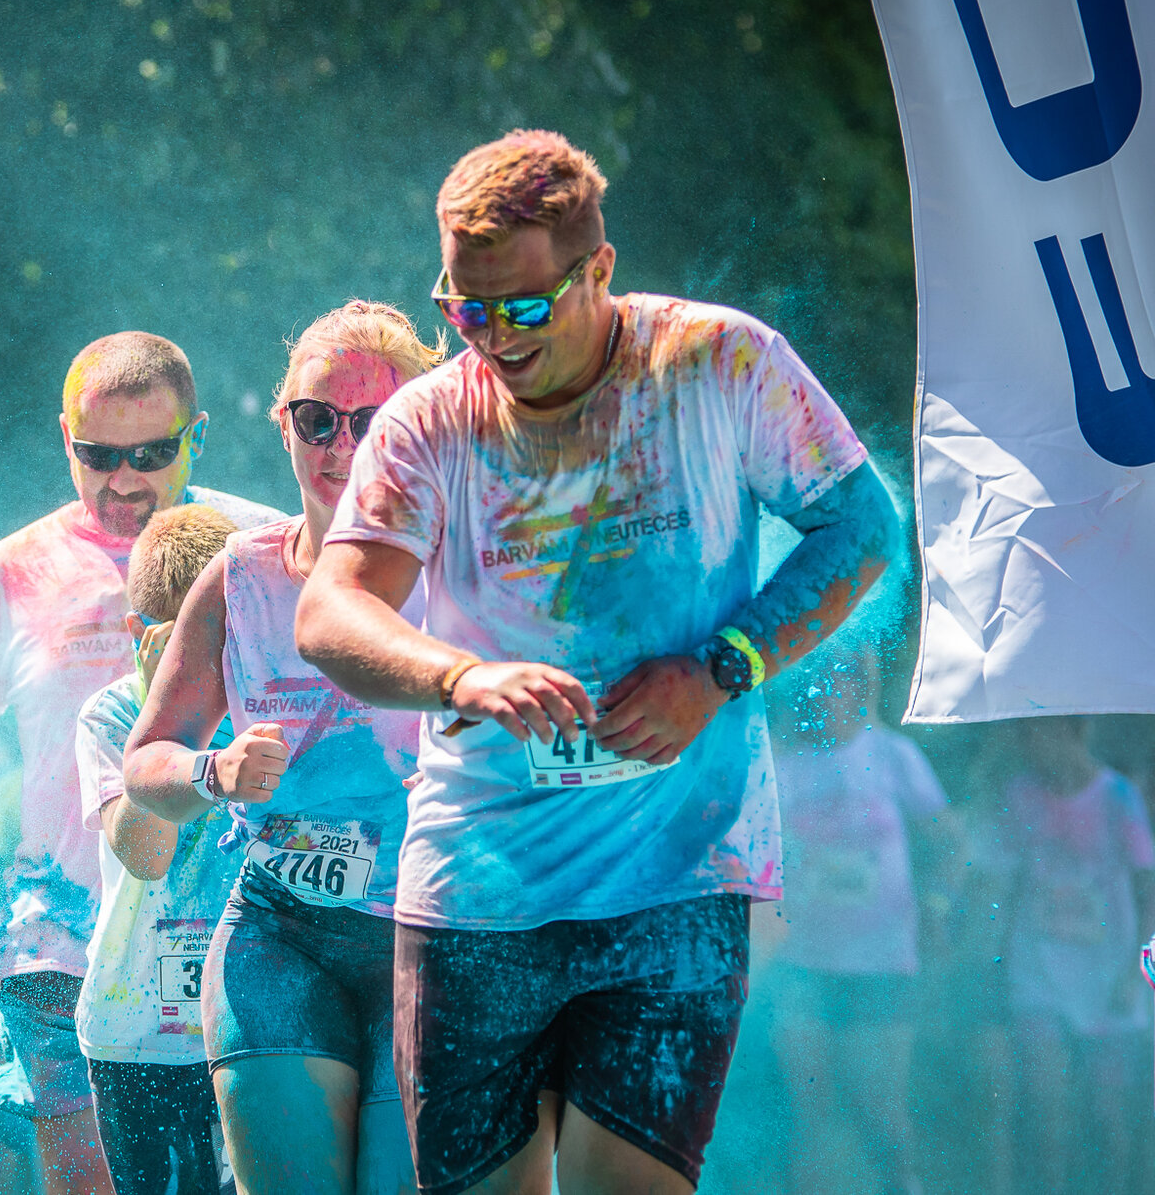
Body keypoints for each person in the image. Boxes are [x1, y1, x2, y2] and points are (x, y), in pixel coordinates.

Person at [294, 129, 900, 1195]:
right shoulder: (427, 422)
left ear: (598, 270)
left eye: (522, 308)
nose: (493, 337)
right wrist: (459, 676)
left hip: (676, 875)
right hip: (476, 887)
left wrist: (720, 668)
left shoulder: (717, 362)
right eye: (464, 309)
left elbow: (858, 527)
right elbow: (331, 609)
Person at [0, 330, 278, 1195]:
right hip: (65, 934)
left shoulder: (265, 544)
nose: (123, 479)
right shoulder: (9, 573)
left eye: (151, 453)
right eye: (98, 455)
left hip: (241, 927)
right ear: (65, 439)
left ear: (197, 435)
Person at [123, 301, 441, 1195]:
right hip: (278, 932)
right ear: (283, 423)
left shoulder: (462, 567)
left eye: (372, 421)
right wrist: (211, 771)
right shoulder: (240, 576)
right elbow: (146, 761)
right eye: (317, 419)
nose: (341, 445)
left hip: (432, 933)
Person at [74, 503, 242, 1195]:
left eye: (217, 635)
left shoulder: (269, 705)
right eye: (183, 641)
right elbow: (147, 854)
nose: (202, 659)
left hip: (251, 1011)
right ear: (138, 636)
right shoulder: (112, 714)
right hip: (137, 1025)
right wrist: (167, 723)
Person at [759, 648, 960, 1195]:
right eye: (821, 676)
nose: (830, 689)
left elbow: (947, 843)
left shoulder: (893, 755)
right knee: (809, 1119)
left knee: (881, 1115)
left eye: (844, 675)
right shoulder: (782, 760)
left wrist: (937, 909)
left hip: (882, 964)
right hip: (801, 965)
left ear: (862, 684)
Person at [975, 716, 1155, 1195]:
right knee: (1045, 1116)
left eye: (1034, 733)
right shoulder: (1018, 795)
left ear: (1069, 730)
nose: (1026, 746)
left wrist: (1138, 973)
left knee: (1109, 1121)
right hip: (1037, 976)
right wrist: (990, 959)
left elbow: (1148, 892)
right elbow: (998, 882)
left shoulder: (1118, 797)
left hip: (1108, 980)